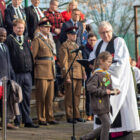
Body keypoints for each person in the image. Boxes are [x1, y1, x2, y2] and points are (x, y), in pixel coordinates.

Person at [89, 21, 140, 140]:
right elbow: (92, 58)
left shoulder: (119, 42)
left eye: (107, 32)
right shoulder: (99, 44)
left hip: (118, 81)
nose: (105, 35)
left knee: (118, 109)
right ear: (99, 34)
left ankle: (120, 134)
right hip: (101, 82)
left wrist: (100, 69)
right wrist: (90, 64)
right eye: (102, 33)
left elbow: (120, 64)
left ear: (111, 31)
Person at [5, 19, 38, 128]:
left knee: (27, 98)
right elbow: (8, 58)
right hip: (16, 74)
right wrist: (11, 73)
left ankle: (27, 120)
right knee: (16, 98)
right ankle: (17, 120)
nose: (20, 30)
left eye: (22, 28)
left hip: (27, 74)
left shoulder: (27, 39)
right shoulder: (9, 40)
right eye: (18, 28)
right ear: (14, 28)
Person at [80, 51, 120, 140]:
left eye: (111, 62)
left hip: (105, 104)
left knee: (107, 124)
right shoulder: (97, 75)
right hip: (99, 104)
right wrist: (105, 92)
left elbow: (108, 87)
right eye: (108, 62)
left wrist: (114, 91)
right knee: (107, 124)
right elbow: (90, 88)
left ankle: (85, 138)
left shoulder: (106, 75)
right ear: (101, 61)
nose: (110, 64)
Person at [31, 19, 58, 125]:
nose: (48, 29)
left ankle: (49, 116)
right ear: (41, 28)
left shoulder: (49, 40)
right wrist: (35, 70)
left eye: (49, 27)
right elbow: (33, 56)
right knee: (41, 96)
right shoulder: (37, 40)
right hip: (41, 71)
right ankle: (41, 118)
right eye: (46, 27)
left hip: (50, 71)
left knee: (49, 97)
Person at [59, 26, 86, 123]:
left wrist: (83, 72)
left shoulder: (76, 46)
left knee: (77, 96)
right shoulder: (65, 45)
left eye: (75, 34)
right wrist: (66, 76)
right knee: (69, 96)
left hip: (78, 73)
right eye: (72, 34)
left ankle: (76, 115)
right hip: (71, 73)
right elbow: (64, 62)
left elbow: (81, 60)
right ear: (68, 35)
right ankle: (70, 116)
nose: (74, 36)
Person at [0, 27, 18, 129]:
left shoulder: (5, 46)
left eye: (4, 36)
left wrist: (11, 75)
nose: (3, 37)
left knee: (5, 101)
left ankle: (5, 122)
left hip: (6, 79)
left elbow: (8, 62)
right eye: (1, 35)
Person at [82, 33, 97, 121]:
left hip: (98, 73)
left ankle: (96, 113)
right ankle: (89, 114)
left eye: (94, 40)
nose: (92, 42)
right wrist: (90, 66)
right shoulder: (85, 49)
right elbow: (85, 60)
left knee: (96, 94)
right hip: (88, 73)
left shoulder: (98, 48)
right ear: (87, 40)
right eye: (91, 40)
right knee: (88, 94)